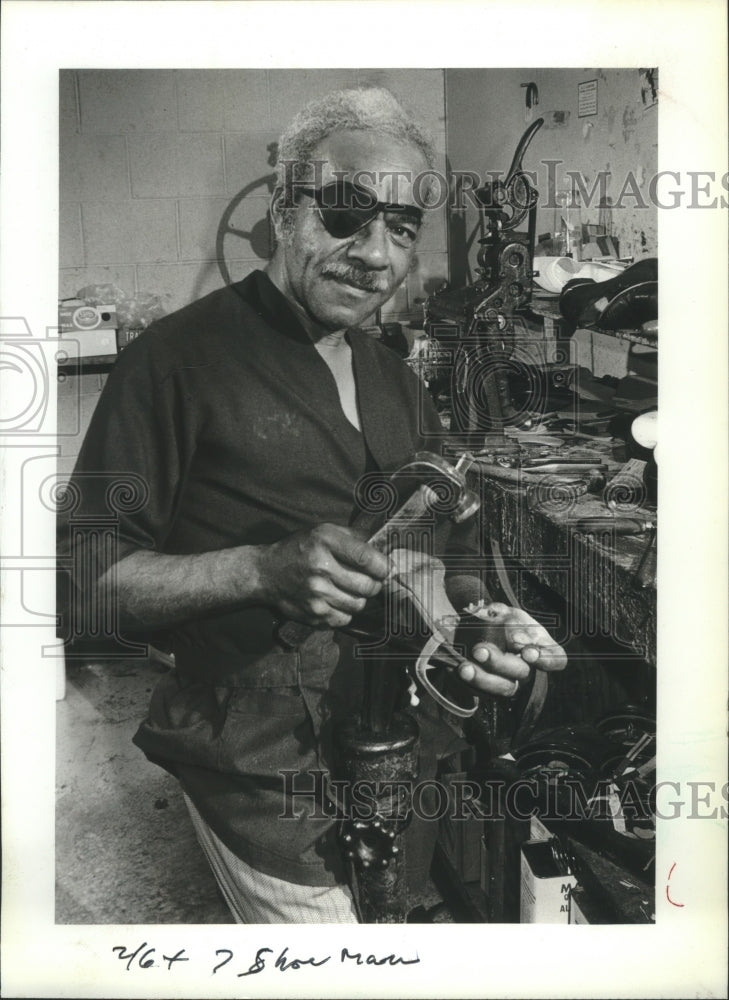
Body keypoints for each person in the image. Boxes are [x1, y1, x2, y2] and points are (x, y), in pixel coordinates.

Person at [64, 87, 566, 923]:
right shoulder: (172, 364)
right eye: (346, 214)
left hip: (403, 761)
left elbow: (448, 552)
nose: (375, 252)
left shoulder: (395, 380)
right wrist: (258, 569)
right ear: (283, 210)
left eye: (401, 229)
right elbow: (79, 583)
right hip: (262, 769)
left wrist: (474, 619)